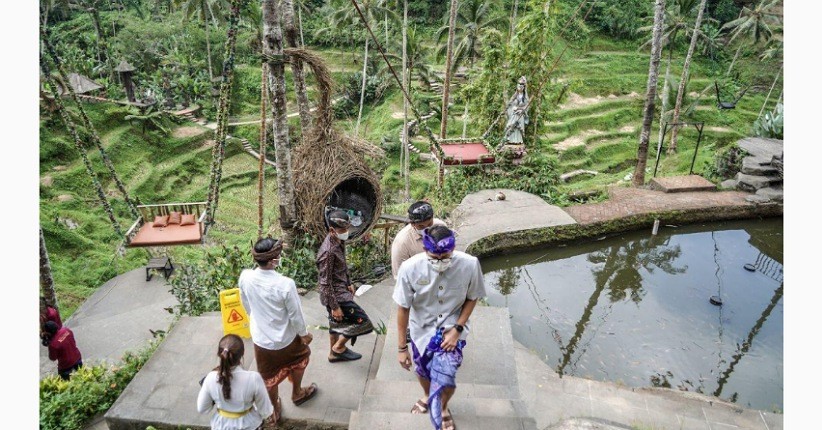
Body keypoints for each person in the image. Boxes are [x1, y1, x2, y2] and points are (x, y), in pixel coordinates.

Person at [393, 225, 487, 430]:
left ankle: (443, 408)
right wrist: (402, 348)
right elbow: (402, 308)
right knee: (423, 370)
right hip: (421, 331)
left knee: (447, 374)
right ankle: (427, 396)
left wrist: (458, 329)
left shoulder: (470, 265)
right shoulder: (409, 268)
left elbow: (473, 297)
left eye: (446, 256)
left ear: (453, 249)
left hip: (452, 330)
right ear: (425, 250)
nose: (440, 262)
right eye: (434, 257)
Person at [238, 237, 317, 427]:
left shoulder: (245, 277)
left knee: (267, 377)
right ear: (274, 261)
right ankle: (297, 393)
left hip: (261, 341)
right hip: (286, 339)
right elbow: (295, 315)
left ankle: (274, 409)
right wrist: (304, 334)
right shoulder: (285, 284)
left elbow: (245, 303)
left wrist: (255, 319)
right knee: (300, 359)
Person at [317, 209, 374, 363]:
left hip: (342, 287)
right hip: (334, 293)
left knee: (336, 323)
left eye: (347, 228)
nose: (346, 232)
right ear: (331, 230)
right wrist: (335, 306)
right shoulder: (327, 252)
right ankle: (338, 348)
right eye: (343, 230)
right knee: (364, 323)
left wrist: (349, 282)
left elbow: (343, 265)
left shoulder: (338, 240)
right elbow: (324, 282)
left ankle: (333, 354)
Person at [197, 334, 274, 430]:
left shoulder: (210, 378)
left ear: (219, 354)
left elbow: (202, 409)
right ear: (242, 354)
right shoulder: (253, 378)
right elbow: (265, 410)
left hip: (220, 426)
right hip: (249, 424)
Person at [390, 201, 447, 279]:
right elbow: (400, 276)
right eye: (421, 226)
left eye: (430, 224)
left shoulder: (441, 227)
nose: (427, 228)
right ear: (412, 224)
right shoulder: (401, 242)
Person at [504, 76, 529, 145]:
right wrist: (512, 108)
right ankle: (509, 140)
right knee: (510, 125)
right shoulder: (515, 95)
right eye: (519, 85)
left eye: (522, 85)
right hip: (513, 113)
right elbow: (509, 104)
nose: (520, 87)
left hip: (520, 115)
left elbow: (527, 107)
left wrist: (522, 110)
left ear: (524, 87)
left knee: (518, 127)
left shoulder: (525, 97)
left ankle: (517, 141)